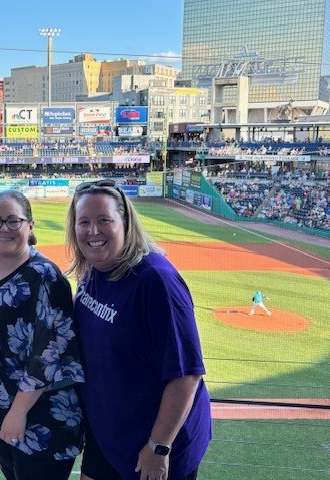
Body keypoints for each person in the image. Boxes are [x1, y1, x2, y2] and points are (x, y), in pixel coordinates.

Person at [66, 179, 212, 480]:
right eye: (84, 222)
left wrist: (158, 447)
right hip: (110, 435)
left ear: (125, 223)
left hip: (155, 443)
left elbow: (187, 374)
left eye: (104, 220)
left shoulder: (156, 280)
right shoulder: (95, 270)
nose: (93, 231)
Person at [0, 190, 85, 480]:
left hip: (38, 415)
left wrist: (17, 413)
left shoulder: (44, 276)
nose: (3, 229)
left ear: (30, 225)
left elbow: (49, 353)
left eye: (13, 221)